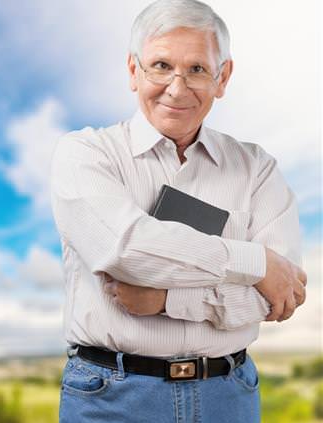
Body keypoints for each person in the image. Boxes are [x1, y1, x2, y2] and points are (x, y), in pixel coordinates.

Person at [49, 0, 307, 422]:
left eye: (197, 70)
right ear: (133, 71)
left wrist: (170, 298)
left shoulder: (257, 169)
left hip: (230, 394)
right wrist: (255, 262)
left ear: (223, 77)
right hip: (110, 397)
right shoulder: (85, 155)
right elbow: (126, 249)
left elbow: (281, 295)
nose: (177, 86)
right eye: (161, 65)